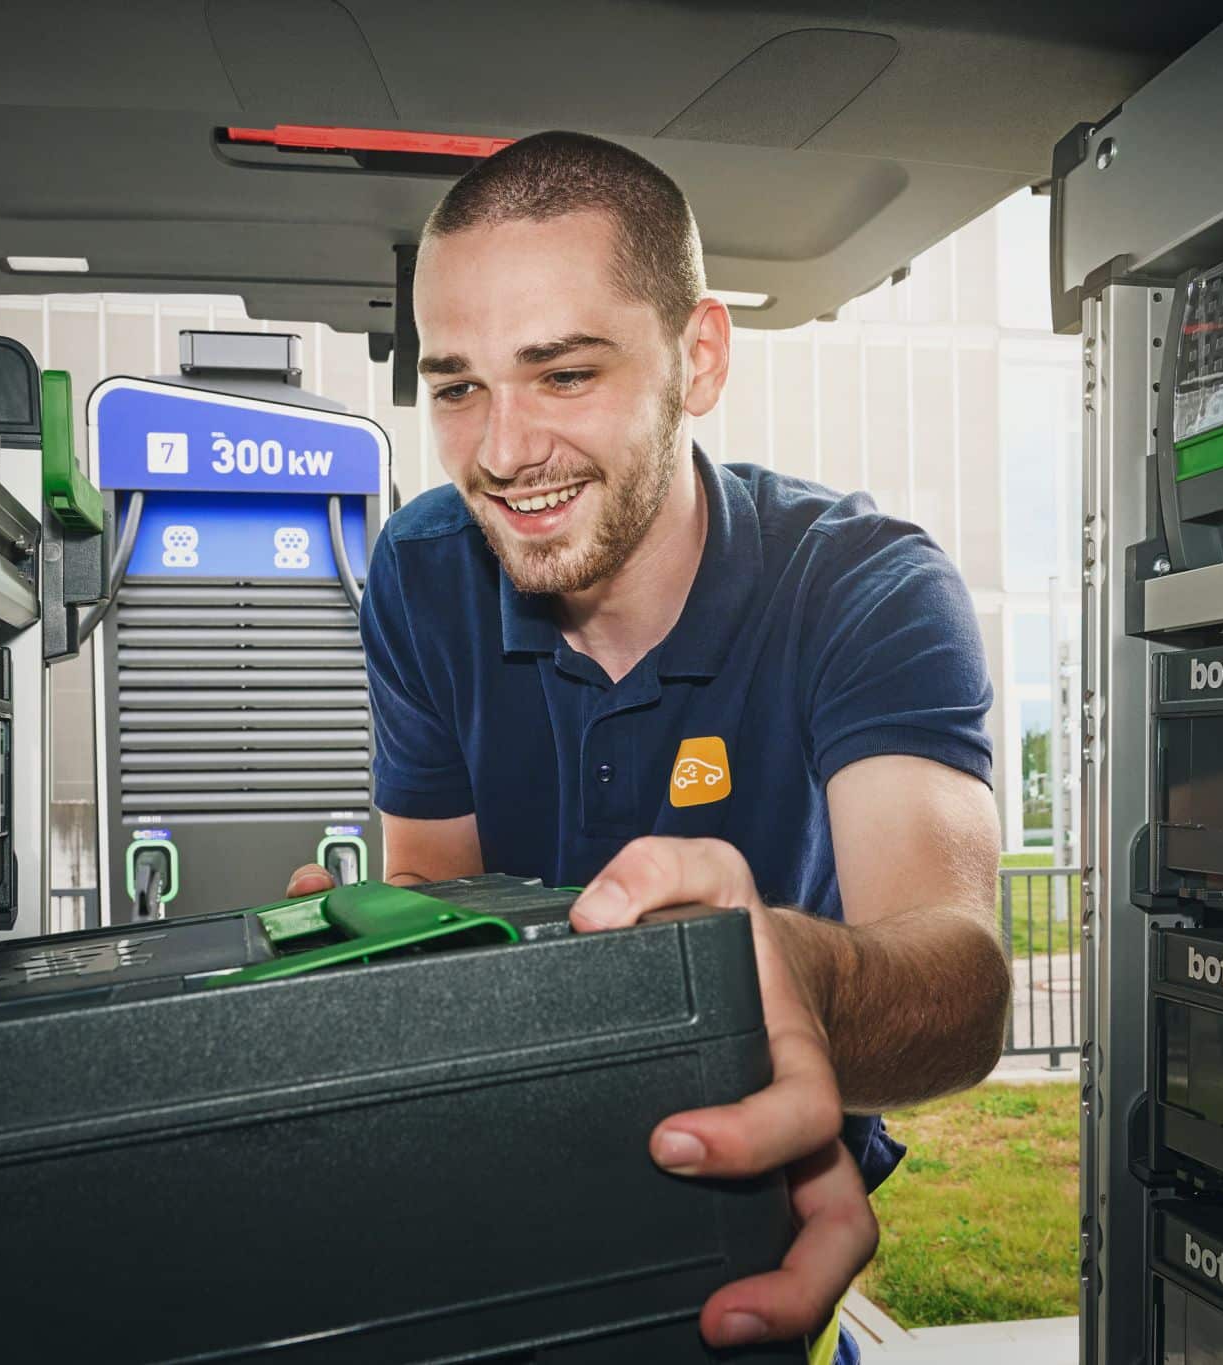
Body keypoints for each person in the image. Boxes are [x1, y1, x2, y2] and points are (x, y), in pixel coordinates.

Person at [287, 130, 1009, 1355]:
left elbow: (961, 983)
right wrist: (375, 979)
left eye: (563, 374)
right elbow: (438, 899)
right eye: (456, 388)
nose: (500, 453)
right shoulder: (417, 576)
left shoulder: (865, 588)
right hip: (503, 1219)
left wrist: (767, 977)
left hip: (757, 1227)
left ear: (698, 357)